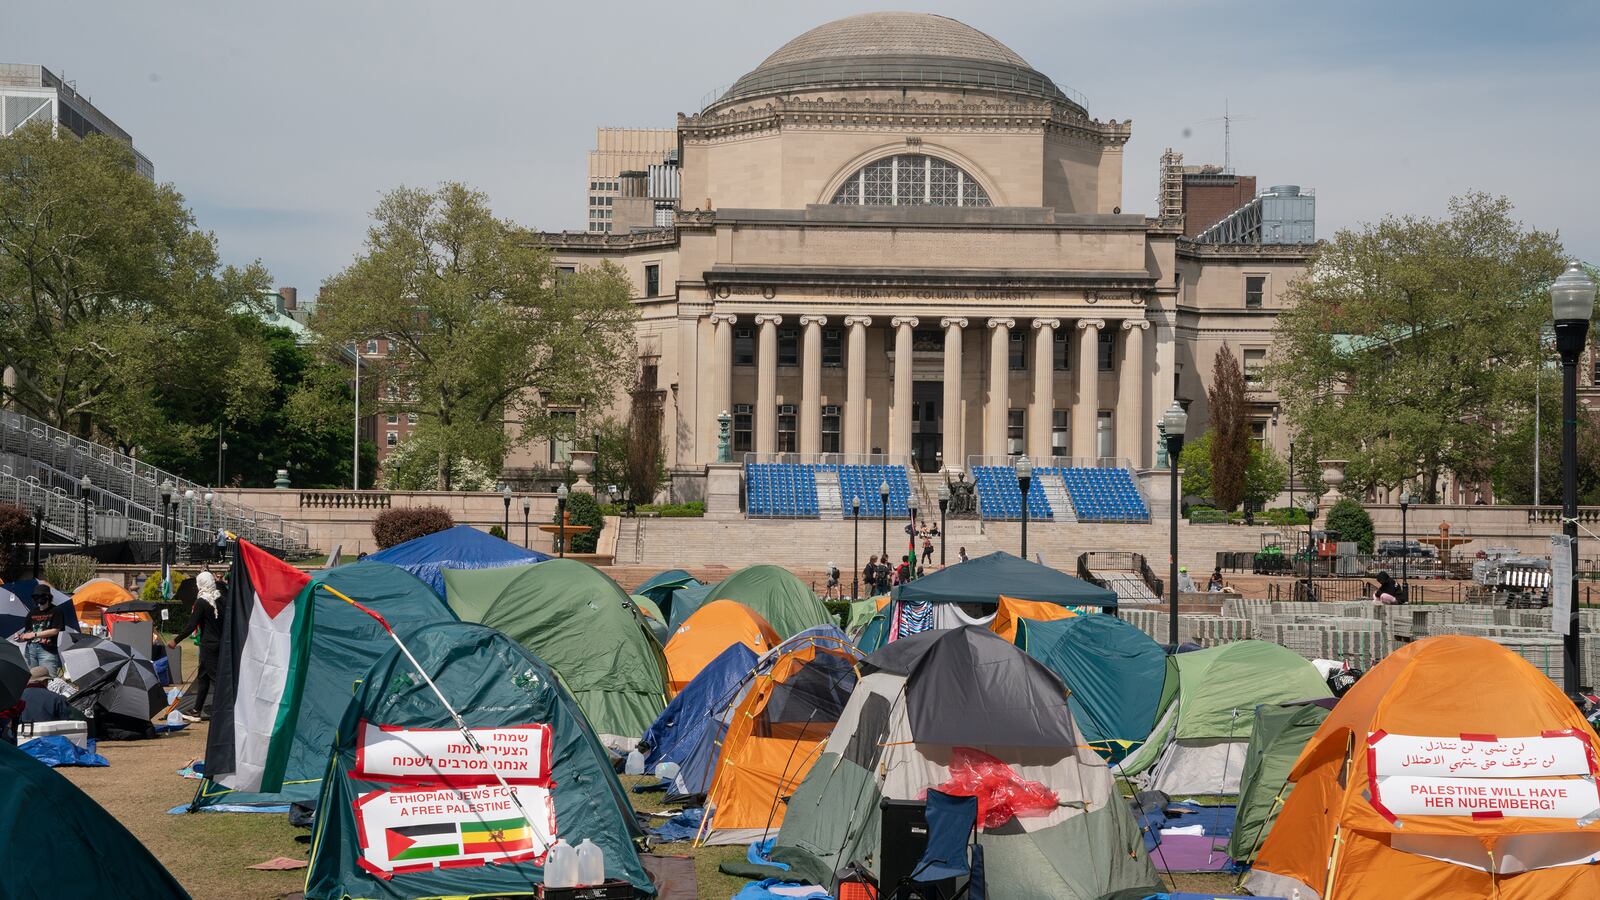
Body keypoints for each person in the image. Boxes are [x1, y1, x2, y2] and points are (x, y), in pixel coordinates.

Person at [170, 568, 224, 722]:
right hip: (219, 643)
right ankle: (196, 710)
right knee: (203, 678)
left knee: (217, 679)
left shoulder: (201, 602)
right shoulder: (220, 599)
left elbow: (191, 625)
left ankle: (228, 710)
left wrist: (176, 640)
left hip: (208, 646)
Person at [12, 585, 65, 673]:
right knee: (31, 678)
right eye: (36, 596)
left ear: (47, 596)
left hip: (47, 650)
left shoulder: (56, 610)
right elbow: (28, 633)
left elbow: (55, 630)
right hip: (30, 650)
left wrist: (34, 634)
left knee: (49, 678)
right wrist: (19, 638)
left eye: (41, 596)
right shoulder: (32, 612)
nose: (38, 599)